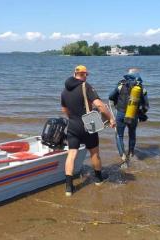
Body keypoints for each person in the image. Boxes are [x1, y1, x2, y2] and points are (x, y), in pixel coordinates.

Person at [61, 65, 116, 196]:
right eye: (86, 75)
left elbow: (64, 110)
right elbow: (99, 105)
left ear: (74, 73)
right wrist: (111, 118)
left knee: (71, 155)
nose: (86, 77)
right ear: (84, 74)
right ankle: (98, 179)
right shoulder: (86, 86)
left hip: (72, 125)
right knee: (94, 153)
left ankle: (69, 188)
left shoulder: (64, 91)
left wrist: (73, 118)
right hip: (88, 125)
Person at [109, 68, 149, 165]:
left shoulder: (121, 85)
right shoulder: (141, 88)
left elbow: (110, 96)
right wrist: (141, 114)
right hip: (133, 115)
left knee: (119, 135)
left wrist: (116, 102)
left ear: (128, 75)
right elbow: (146, 106)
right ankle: (131, 153)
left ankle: (123, 156)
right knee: (132, 134)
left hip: (121, 114)